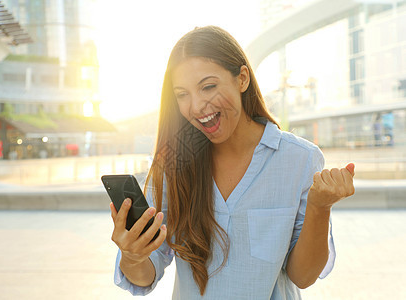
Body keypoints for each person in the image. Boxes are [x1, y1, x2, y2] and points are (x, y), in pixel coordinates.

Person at [110, 26, 355, 299]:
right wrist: (132, 256)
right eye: (182, 94)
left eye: (208, 87)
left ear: (242, 79)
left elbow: (303, 276)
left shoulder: (300, 158)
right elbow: (146, 276)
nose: (196, 105)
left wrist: (319, 208)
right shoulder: (173, 163)